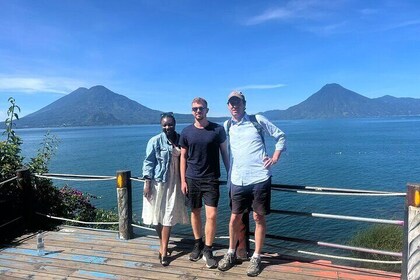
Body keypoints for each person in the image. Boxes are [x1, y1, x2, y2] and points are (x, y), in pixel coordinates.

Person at [218, 91, 286, 277]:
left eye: (237, 102)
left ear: (244, 104)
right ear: (228, 106)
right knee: (234, 219)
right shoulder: (226, 126)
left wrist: (274, 158)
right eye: (231, 103)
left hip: (259, 177)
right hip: (238, 179)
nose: (234, 106)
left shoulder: (257, 120)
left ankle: (256, 256)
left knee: (258, 218)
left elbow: (280, 136)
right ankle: (231, 252)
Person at [180, 97, 229, 269]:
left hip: (211, 179)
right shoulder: (186, 132)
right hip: (192, 178)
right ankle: (197, 244)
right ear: (192, 111)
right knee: (195, 212)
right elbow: (183, 157)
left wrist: (230, 173)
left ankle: (208, 249)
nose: (198, 111)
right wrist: (182, 181)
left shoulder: (217, 130)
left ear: (207, 110)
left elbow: (225, 153)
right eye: (195, 109)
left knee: (212, 215)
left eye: (201, 108)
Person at [142, 112, 189, 266]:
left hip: (175, 182)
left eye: (170, 124)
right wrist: (147, 183)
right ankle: (163, 244)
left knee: (168, 215)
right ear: (161, 125)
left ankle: (163, 251)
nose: (167, 127)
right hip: (158, 182)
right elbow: (148, 163)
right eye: (165, 125)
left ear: (175, 124)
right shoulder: (155, 141)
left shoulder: (181, 139)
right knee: (156, 216)